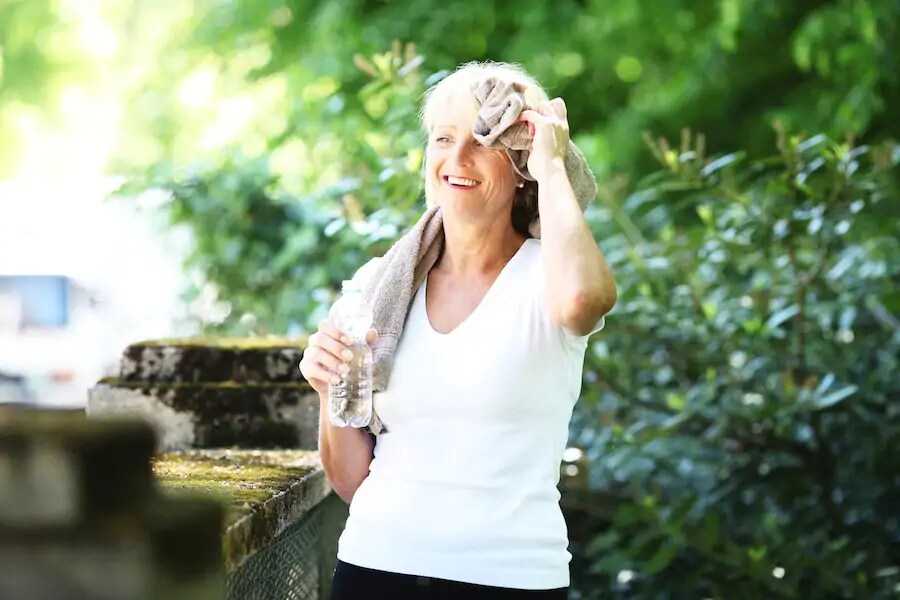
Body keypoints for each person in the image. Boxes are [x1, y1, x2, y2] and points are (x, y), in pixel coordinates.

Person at [299, 61, 617, 599]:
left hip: (508, 580)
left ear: (520, 161)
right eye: (443, 139)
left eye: (482, 140)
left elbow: (584, 301)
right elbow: (353, 481)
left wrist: (553, 163)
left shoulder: (553, 274)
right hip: (374, 568)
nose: (457, 158)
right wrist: (330, 389)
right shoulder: (379, 286)